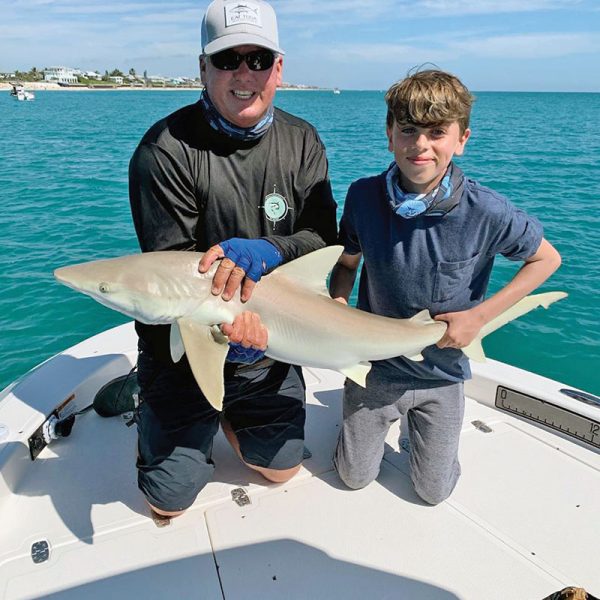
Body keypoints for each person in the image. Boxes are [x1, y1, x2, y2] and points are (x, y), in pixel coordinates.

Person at [128, 0, 337, 517]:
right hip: (182, 348)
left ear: (279, 68)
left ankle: (231, 417)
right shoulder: (165, 150)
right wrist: (222, 331)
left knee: (281, 471)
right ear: (202, 67)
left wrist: (273, 251)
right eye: (227, 60)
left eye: (259, 59)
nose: (245, 74)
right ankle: (155, 405)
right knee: (167, 502)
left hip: (268, 342)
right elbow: (171, 276)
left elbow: (324, 236)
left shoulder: (302, 140)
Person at [329, 69, 561, 505]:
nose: (421, 145)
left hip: (443, 371)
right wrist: (338, 302)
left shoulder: (487, 210)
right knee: (353, 477)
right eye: (409, 130)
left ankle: (423, 438)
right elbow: (346, 262)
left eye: (437, 132)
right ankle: (363, 429)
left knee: (433, 493)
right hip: (374, 366)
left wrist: (479, 316)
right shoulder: (363, 196)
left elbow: (547, 258)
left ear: (462, 139)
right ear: (390, 134)